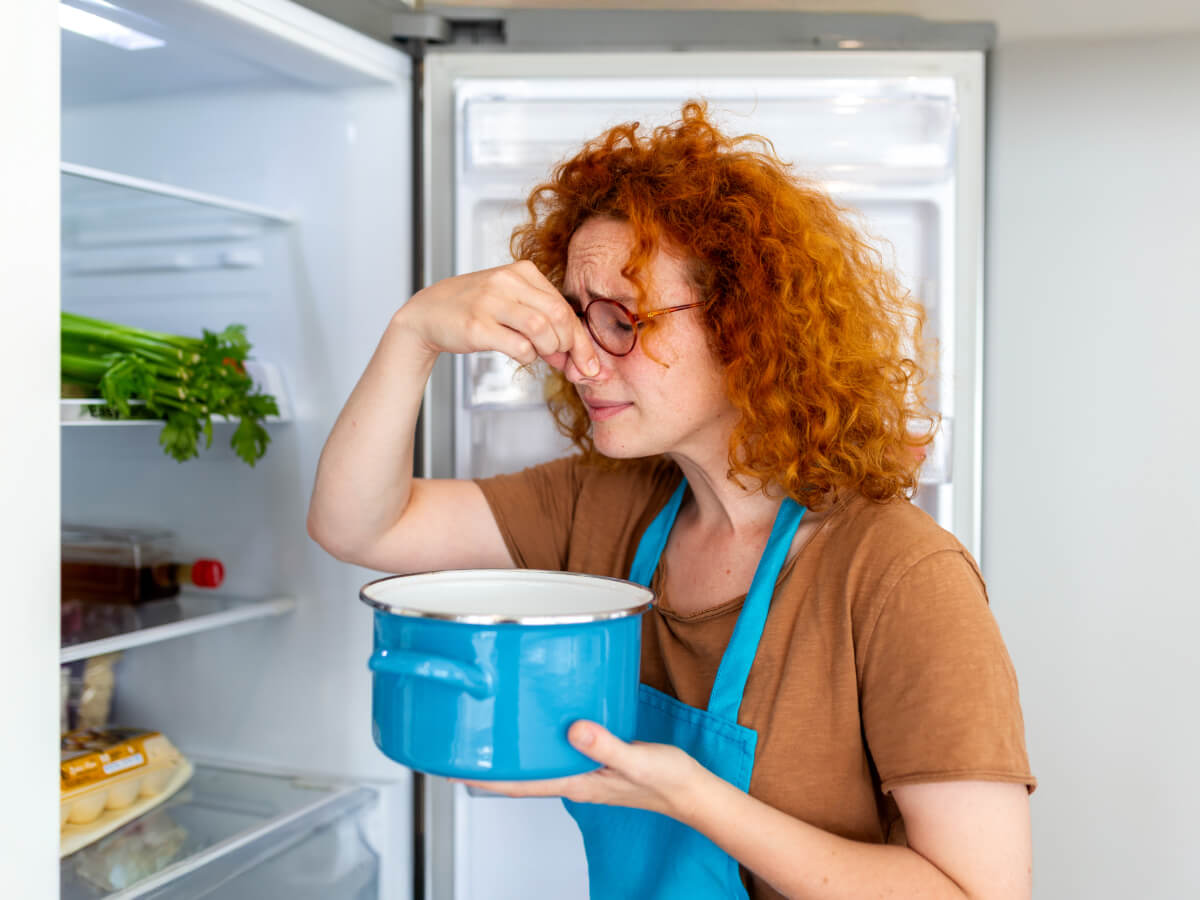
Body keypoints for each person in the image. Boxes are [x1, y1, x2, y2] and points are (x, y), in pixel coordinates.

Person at [308, 101, 1035, 899]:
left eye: (622, 319)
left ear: (745, 326)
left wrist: (693, 797)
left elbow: (979, 894)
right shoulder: (607, 505)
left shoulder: (900, 574)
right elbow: (357, 524)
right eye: (576, 319)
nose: (581, 359)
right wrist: (413, 334)